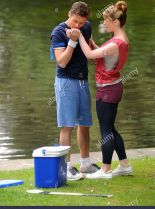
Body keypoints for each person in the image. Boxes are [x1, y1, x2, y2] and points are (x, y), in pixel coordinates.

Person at [67, 1, 133, 179]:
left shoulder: (114, 43)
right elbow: (101, 57)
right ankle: (125, 165)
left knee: (105, 129)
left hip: (108, 89)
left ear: (116, 22)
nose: (104, 23)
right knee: (110, 127)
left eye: (106, 21)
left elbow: (89, 55)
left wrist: (78, 35)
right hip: (114, 86)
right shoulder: (121, 39)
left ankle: (105, 170)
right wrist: (91, 43)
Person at [50, 1, 100, 181]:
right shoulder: (58, 32)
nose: (78, 25)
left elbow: (89, 42)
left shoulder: (86, 26)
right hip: (65, 82)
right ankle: (67, 167)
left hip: (82, 80)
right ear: (69, 14)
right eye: (75, 21)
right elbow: (61, 62)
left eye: (81, 22)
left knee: (85, 124)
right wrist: (72, 41)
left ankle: (85, 163)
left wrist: (97, 53)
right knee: (67, 125)